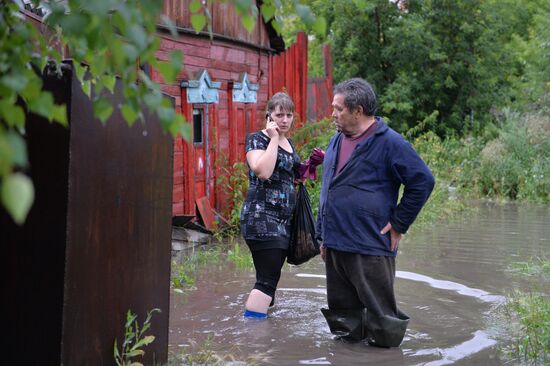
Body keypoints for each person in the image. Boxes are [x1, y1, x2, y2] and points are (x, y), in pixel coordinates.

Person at [317, 78, 435, 347]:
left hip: (369, 245)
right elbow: (328, 189)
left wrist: (398, 223)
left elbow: (422, 181)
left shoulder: (390, 142)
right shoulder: (337, 140)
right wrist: (322, 235)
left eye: (338, 109)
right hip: (335, 245)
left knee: (382, 322)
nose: (333, 114)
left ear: (358, 111)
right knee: (343, 320)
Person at [240, 92, 301, 319]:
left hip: (283, 221)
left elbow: (290, 176)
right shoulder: (257, 139)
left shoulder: (289, 143)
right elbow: (263, 172)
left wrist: (308, 167)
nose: (285, 120)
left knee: (269, 278)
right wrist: (273, 138)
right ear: (269, 116)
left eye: (289, 115)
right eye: (279, 115)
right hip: (261, 219)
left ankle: (265, 326)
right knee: (267, 280)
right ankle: (254, 338)